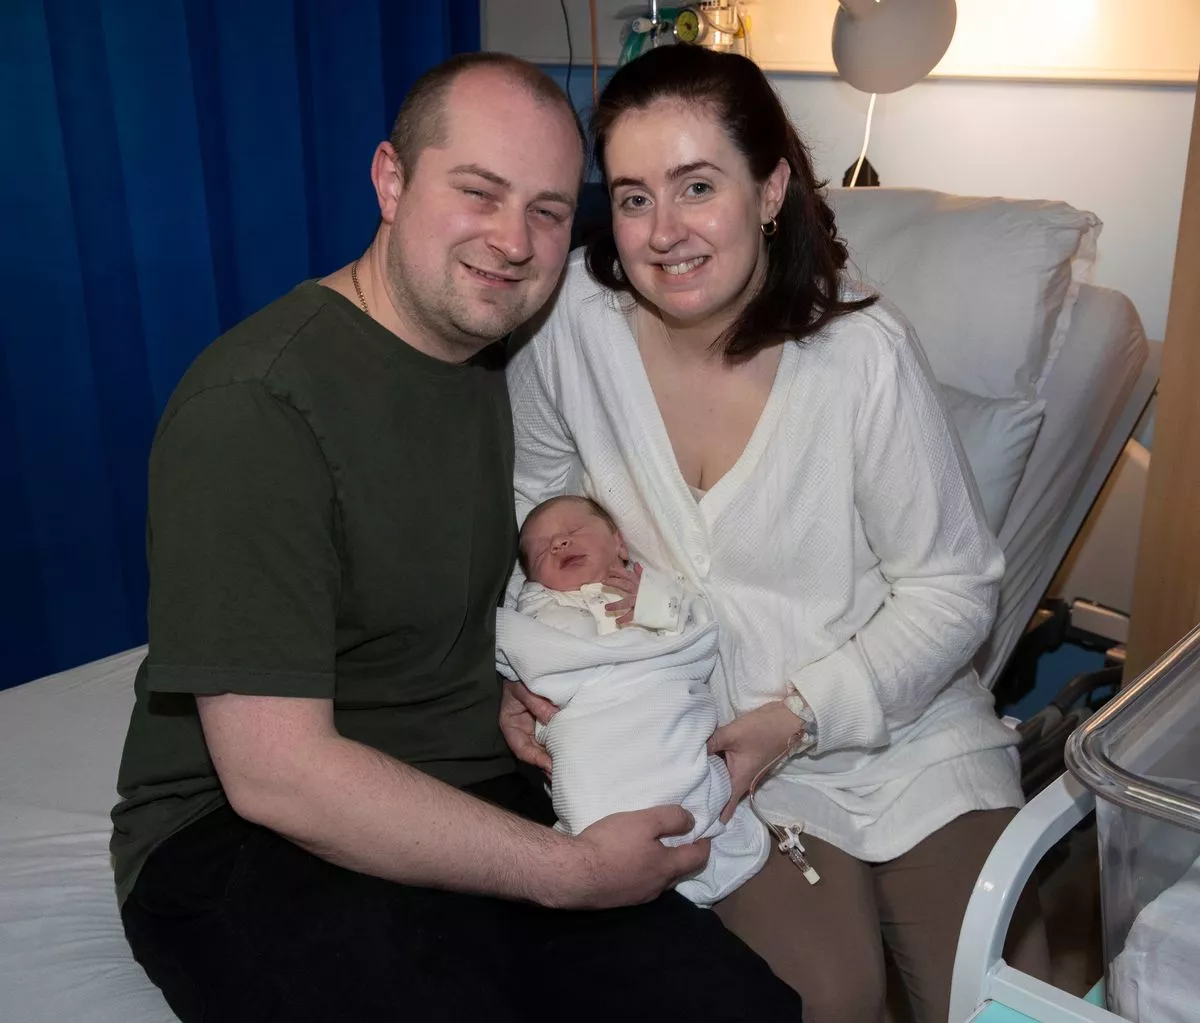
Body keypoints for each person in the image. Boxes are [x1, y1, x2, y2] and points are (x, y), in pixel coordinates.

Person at [109, 52, 805, 1023]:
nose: (513, 241)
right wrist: (566, 872)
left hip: (466, 780)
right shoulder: (257, 408)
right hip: (236, 837)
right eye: (478, 193)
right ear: (391, 180)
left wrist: (510, 690)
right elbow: (276, 774)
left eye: (549, 211)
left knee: (737, 1009)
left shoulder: (501, 362)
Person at [502, 44, 1052, 1023]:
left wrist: (799, 713)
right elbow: (536, 503)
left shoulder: (856, 359)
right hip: (710, 743)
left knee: (996, 988)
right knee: (830, 999)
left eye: (697, 186)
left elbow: (952, 589)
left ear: (769, 188)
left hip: (905, 726)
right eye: (633, 198)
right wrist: (537, 665)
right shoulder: (572, 328)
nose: (664, 233)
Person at [499, 494, 770, 905]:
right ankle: (599, 841)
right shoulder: (540, 605)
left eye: (572, 533)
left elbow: (697, 633)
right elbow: (519, 645)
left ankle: (693, 818)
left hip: (658, 703)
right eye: (541, 551)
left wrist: (657, 602)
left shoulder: (652, 587)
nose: (558, 545)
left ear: (619, 545)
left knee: (688, 762)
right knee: (588, 792)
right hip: (592, 722)